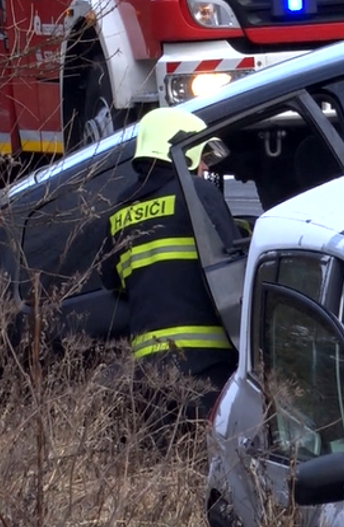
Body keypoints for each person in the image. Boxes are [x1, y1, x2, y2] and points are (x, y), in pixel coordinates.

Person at [99, 107, 241, 446]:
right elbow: (233, 256)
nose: (205, 167)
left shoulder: (119, 212)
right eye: (201, 156)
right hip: (208, 364)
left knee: (168, 462)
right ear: (181, 148)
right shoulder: (195, 194)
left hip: (150, 372)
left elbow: (110, 279)